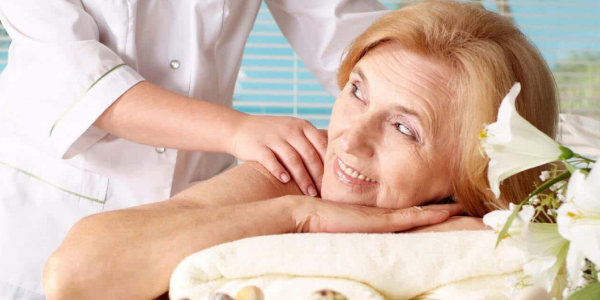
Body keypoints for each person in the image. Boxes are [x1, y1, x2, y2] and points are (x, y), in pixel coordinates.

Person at [43, 1, 559, 299]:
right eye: (356, 91)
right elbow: (74, 275)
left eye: (404, 128)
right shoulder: (300, 177)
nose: (349, 140)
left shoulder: (508, 244)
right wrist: (297, 215)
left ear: (472, 173)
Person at [0, 1, 392, 299]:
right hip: (45, 212)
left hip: (198, 209)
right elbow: (74, 76)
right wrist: (237, 129)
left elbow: (346, 29)